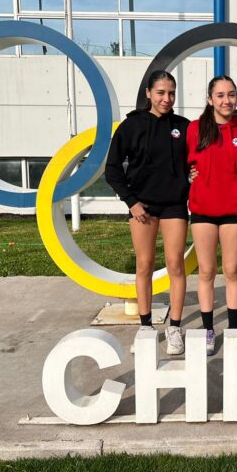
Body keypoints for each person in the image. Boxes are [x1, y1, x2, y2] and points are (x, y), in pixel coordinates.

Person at [104, 70, 190, 355]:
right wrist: (131, 202)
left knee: (175, 264)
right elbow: (113, 170)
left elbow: (197, 159)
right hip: (143, 206)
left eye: (172, 93)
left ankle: (175, 327)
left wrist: (194, 175)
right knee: (145, 265)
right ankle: (146, 327)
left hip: (175, 205)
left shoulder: (184, 127)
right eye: (161, 93)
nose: (167, 99)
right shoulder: (131, 127)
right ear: (149, 94)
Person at [186, 75, 237, 355]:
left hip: (233, 211)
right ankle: (208, 329)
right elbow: (178, 163)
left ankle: (231, 329)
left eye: (231, 95)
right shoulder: (194, 130)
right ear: (210, 99)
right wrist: (189, 175)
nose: (226, 100)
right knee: (206, 271)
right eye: (220, 95)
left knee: (231, 270)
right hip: (203, 211)